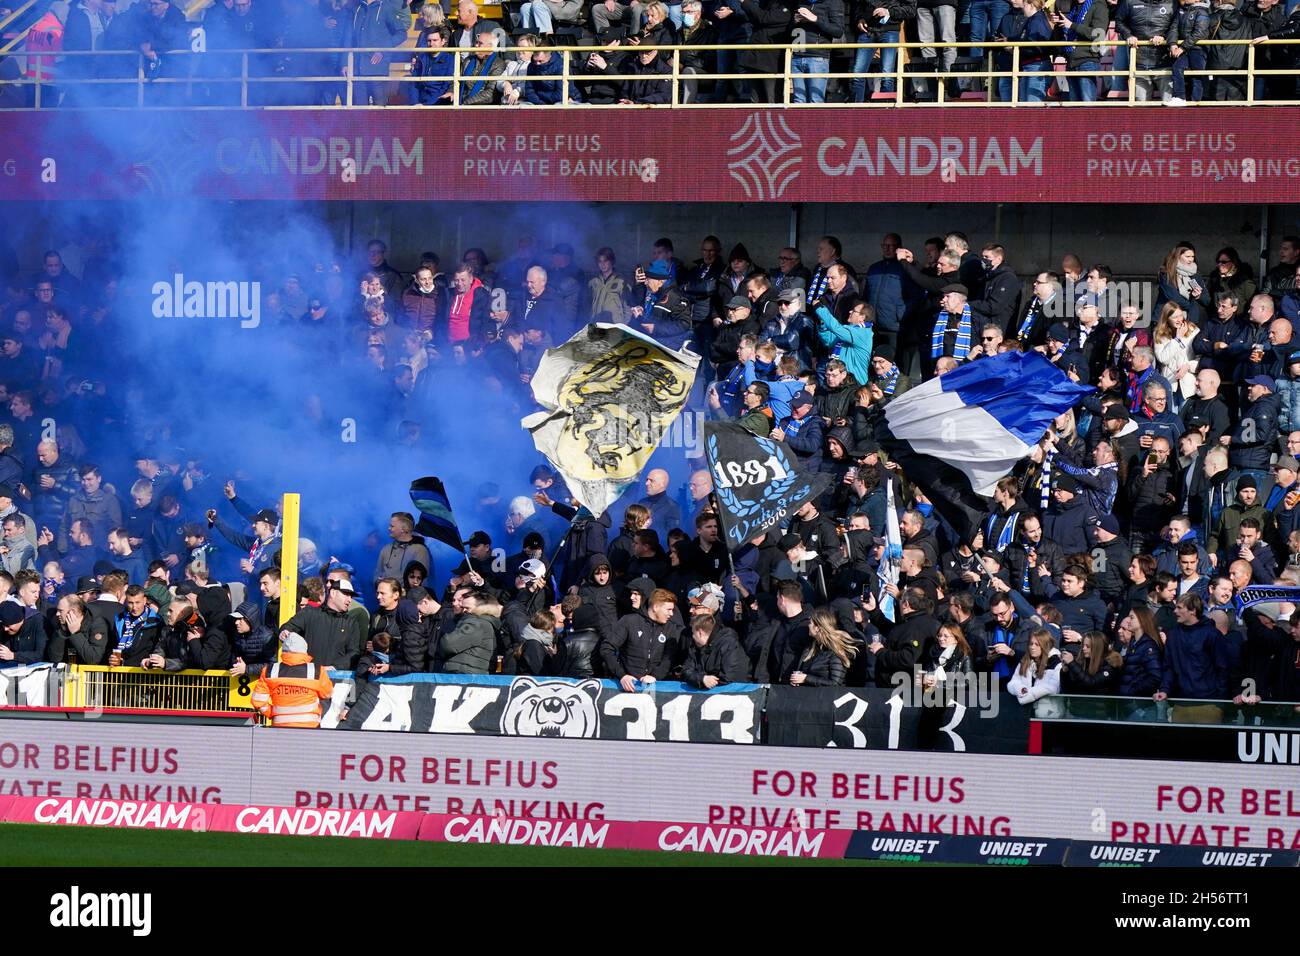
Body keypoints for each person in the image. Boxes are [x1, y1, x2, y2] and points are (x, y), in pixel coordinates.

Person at [601, 586, 681, 690]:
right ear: (656, 607)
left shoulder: (670, 628)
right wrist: (622, 675)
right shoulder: (629, 621)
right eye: (669, 609)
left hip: (656, 688)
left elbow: (669, 658)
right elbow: (607, 648)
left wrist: (655, 676)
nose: (671, 614)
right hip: (626, 688)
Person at [250, 633, 335, 728]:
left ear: (284, 651)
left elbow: (257, 701)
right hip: (310, 727)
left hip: (280, 727)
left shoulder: (270, 671)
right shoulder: (317, 671)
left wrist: (272, 713)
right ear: (304, 651)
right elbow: (328, 693)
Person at [789, 606, 857, 686]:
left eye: (810, 623)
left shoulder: (836, 651)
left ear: (817, 628)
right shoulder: (811, 648)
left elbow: (836, 683)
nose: (808, 626)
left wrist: (806, 679)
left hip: (829, 697)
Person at [681, 613, 750, 688]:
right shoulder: (695, 646)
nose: (693, 636)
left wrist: (710, 680)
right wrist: (702, 679)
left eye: (693, 633)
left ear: (700, 633)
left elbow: (732, 676)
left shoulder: (729, 645)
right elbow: (686, 670)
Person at [1006, 627, 1063, 716]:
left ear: (1045, 646)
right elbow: (1013, 682)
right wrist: (1021, 689)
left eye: (1037, 644)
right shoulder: (1025, 660)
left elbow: (1052, 688)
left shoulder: (1055, 662)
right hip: (1024, 712)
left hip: (1047, 714)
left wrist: (1027, 695)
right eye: (1031, 644)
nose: (1032, 647)